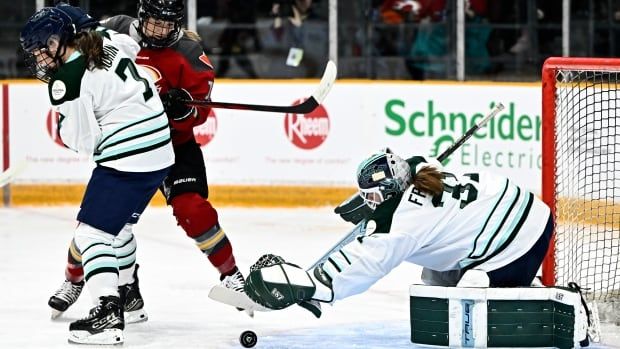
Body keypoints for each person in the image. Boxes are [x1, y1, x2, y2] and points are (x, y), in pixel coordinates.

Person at [47, 0, 247, 322]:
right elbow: (81, 46)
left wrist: (182, 109)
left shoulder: (190, 51)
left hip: (174, 145)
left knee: (192, 210)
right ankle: (74, 279)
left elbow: (200, 111)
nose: (161, 30)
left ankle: (231, 275)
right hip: (129, 145)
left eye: (168, 24)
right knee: (100, 220)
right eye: (154, 22)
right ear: (142, 16)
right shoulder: (116, 28)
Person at [242, 149, 553, 317]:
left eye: (372, 196)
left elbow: (366, 262)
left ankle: (542, 299)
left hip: (518, 241)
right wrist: (371, 206)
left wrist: (315, 287)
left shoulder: (403, 225)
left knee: (468, 304)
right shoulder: (418, 169)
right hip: (519, 207)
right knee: (435, 283)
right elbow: (422, 162)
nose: (367, 202)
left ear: (391, 191)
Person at [20, 6, 174, 344]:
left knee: (91, 235)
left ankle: (107, 314)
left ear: (58, 40)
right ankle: (130, 301)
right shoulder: (107, 39)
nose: (40, 58)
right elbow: (133, 50)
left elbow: (84, 141)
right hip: (161, 152)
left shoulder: (67, 81)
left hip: (129, 160)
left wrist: (64, 122)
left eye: (41, 49)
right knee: (118, 229)